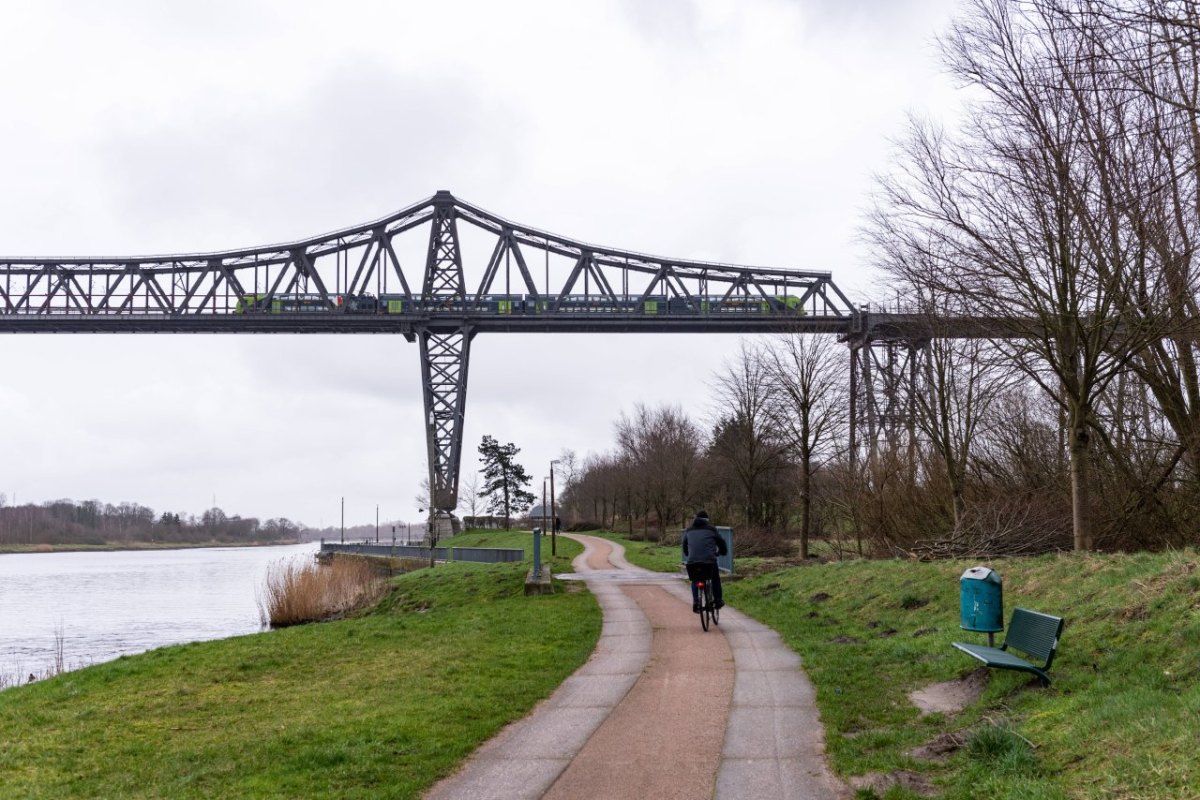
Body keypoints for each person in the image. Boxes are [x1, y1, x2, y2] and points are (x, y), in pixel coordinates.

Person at [682, 510, 726, 613]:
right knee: (715, 578)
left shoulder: (688, 531)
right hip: (709, 561)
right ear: (707, 521)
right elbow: (721, 542)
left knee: (695, 580)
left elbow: (684, 546)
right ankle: (718, 601)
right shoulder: (711, 530)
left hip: (692, 562)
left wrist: (689, 555)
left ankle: (696, 603)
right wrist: (721, 551)